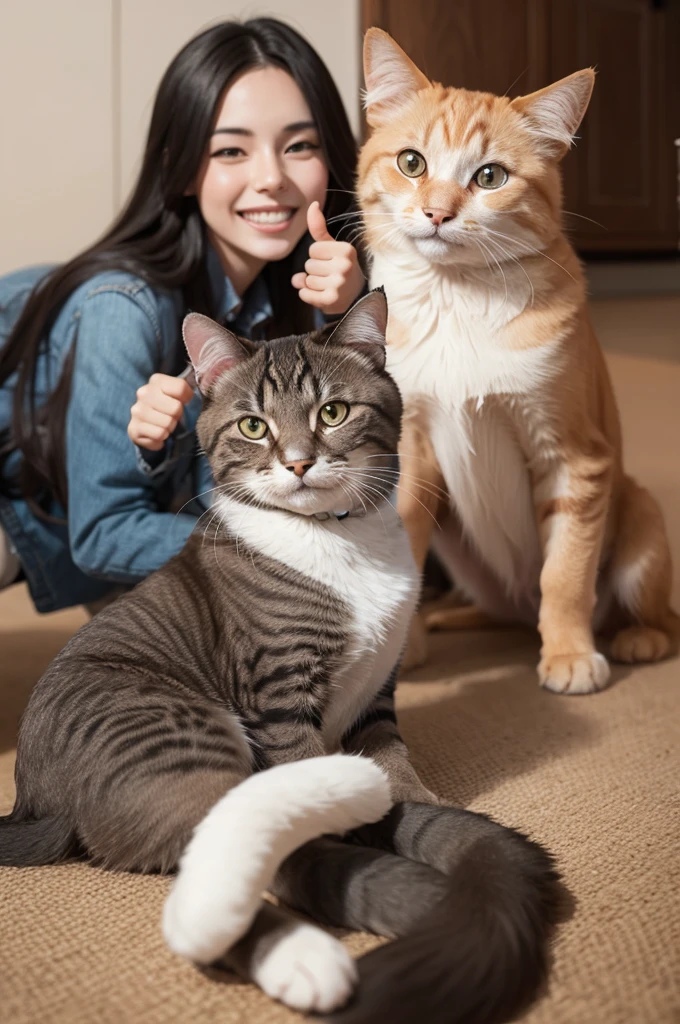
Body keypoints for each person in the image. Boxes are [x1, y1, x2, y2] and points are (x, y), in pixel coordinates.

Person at [0, 18, 366, 612]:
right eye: (231, 150)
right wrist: (296, 543)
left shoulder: (291, 295)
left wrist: (345, 317)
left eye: (300, 145)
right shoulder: (123, 309)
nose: (271, 178)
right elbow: (103, 536)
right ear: (181, 164)